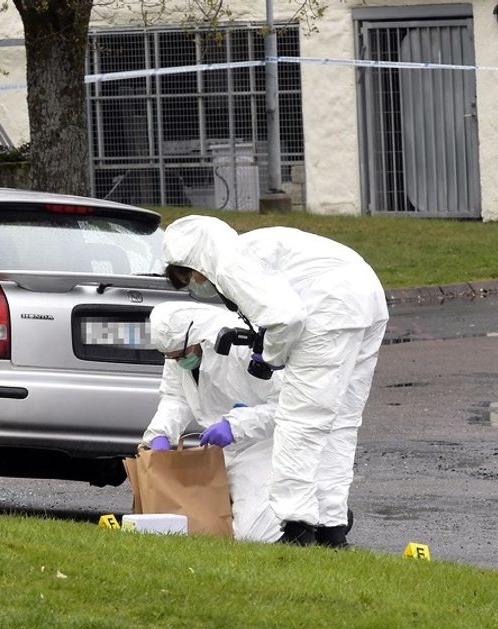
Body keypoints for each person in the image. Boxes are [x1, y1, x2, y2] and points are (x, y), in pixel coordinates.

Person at [161, 215, 388, 548]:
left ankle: (297, 528)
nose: (195, 282)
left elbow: (287, 318)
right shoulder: (251, 247)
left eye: (189, 275)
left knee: (300, 421)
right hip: (367, 297)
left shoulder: (227, 264)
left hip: (329, 307)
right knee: (340, 422)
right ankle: (331, 528)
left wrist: (270, 355)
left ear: (196, 260)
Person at [142, 301, 283, 543]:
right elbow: (176, 396)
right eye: (170, 357)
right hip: (222, 451)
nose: (177, 362)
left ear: (198, 337)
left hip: (263, 446)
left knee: (254, 535)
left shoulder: (241, 346)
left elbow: (288, 407)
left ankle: (324, 515)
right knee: (206, 526)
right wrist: (161, 434)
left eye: (181, 355)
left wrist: (236, 426)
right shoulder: (178, 347)